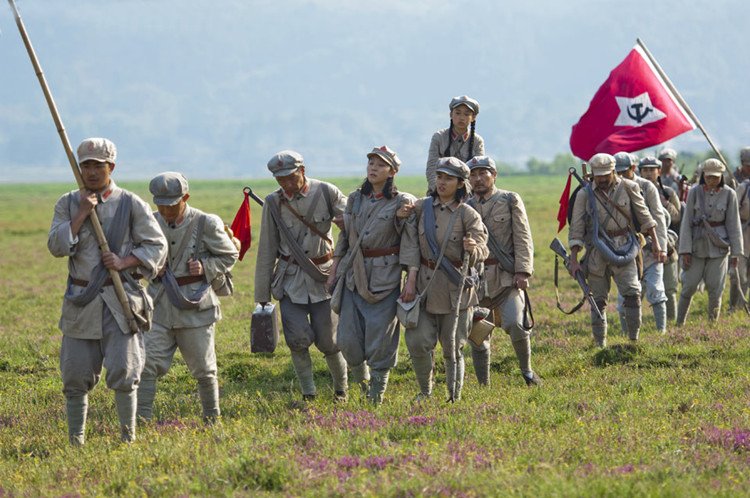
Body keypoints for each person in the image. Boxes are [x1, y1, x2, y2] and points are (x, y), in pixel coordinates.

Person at [48, 138, 167, 445]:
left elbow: (156, 246)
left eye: (97, 166)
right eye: (85, 165)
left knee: (125, 372)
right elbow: (56, 246)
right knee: (74, 376)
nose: (90, 171)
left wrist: (125, 261)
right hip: (80, 303)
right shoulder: (68, 203)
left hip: (120, 298)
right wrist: (80, 216)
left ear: (111, 167)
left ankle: (127, 438)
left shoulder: (131, 203)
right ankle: (76, 441)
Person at [136, 172, 239, 424]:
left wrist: (205, 267)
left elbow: (229, 255)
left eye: (172, 204)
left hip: (196, 307)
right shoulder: (148, 222)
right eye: (161, 204)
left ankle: (212, 419)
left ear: (186, 197)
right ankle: (141, 420)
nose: (166, 210)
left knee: (204, 370)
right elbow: (137, 256)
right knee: (146, 365)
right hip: (158, 305)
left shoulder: (207, 222)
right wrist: (151, 266)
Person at [254, 150, 350, 402]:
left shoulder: (326, 192)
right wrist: (262, 295)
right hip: (289, 281)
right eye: (280, 179)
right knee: (296, 340)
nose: (285, 184)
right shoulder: (273, 203)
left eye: (290, 177)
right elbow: (266, 249)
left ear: (302, 171)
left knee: (330, 342)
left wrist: (346, 221)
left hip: (324, 279)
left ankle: (341, 390)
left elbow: (356, 218)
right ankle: (309, 393)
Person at [326, 146, 419, 404]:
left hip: (385, 278)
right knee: (347, 339)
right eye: (371, 163)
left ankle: (376, 396)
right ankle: (363, 385)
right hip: (353, 276)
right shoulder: (355, 199)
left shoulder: (402, 201)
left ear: (392, 171)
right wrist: (334, 271)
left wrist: (409, 281)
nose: (373, 168)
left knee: (381, 340)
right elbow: (346, 238)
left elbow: (410, 244)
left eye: (380, 164)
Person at [406, 157, 488, 402]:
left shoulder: (468, 215)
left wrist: (472, 248)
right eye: (439, 177)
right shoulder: (422, 208)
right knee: (418, 343)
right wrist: (402, 213)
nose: (442, 182)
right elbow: (408, 240)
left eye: (448, 178)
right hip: (425, 288)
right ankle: (425, 392)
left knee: (453, 348)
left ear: (461, 183)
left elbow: (483, 251)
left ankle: (454, 397)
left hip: (456, 291)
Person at [568, 153, 660, 347]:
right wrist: (574, 259)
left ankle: (633, 340)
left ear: (613, 171)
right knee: (597, 300)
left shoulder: (630, 187)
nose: (601, 179)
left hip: (625, 247)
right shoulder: (584, 193)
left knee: (632, 294)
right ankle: (600, 344)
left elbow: (645, 218)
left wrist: (658, 245)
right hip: (596, 252)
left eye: (605, 174)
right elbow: (576, 227)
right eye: (598, 175)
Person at [466, 156, 540, 386]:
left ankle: (527, 372)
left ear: (494, 175)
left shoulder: (509, 200)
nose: (478, 179)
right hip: (475, 281)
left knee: (516, 324)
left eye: (483, 173)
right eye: (473, 174)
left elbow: (523, 237)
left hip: (506, 275)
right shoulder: (463, 206)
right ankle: (483, 385)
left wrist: (523, 271)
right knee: (477, 336)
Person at [677, 159, 744, 324]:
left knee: (716, 288)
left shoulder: (730, 194)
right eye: (708, 177)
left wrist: (736, 253)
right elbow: (686, 223)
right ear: (703, 176)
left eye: (715, 177)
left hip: (719, 247)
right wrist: (685, 250)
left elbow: (734, 224)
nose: (711, 180)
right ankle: (679, 323)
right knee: (689, 285)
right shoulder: (694, 192)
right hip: (696, 246)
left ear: (721, 176)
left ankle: (711, 326)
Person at [613, 153, 669, 333]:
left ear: (633, 168)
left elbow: (658, 219)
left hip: (650, 246)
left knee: (655, 289)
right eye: (617, 172)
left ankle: (661, 333)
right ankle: (626, 334)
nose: (620, 176)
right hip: (626, 248)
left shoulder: (647, 187)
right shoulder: (612, 189)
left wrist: (661, 247)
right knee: (625, 294)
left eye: (624, 171)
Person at [638, 155, 683, 322]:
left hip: (667, 245)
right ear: (640, 172)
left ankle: (671, 323)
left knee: (670, 288)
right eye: (645, 170)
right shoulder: (634, 190)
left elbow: (677, 217)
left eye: (652, 169)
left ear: (658, 171)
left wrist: (665, 204)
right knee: (638, 288)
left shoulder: (668, 192)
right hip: (642, 246)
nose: (649, 173)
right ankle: (635, 321)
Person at [426, 95, 485, 193]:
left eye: (466, 114)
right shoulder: (439, 137)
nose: (461, 118)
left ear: (473, 117)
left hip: (467, 193)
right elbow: (431, 167)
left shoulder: (477, 141)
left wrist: (466, 194)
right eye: (457, 113)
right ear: (450, 114)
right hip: (439, 190)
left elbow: (477, 172)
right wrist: (438, 191)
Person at [729, 148, 750, 311]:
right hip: (741, 231)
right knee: (737, 274)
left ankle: (742, 306)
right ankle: (733, 306)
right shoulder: (733, 178)